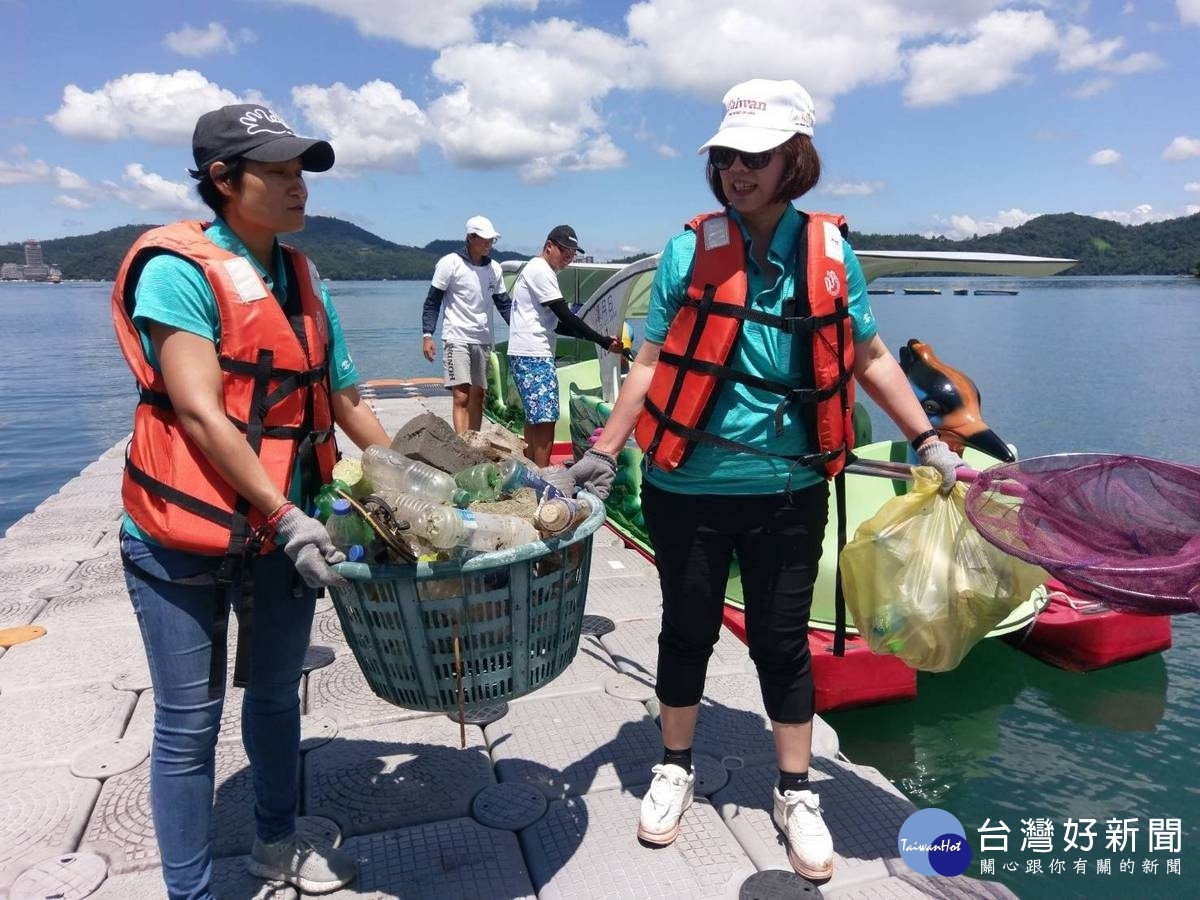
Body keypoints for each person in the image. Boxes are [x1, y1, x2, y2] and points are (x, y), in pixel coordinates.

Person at [567, 79, 963, 881]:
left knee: (783, 645)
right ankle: (673, 766)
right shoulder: (687, 249)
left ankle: (794, 789)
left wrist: (927, 437)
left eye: (756, 157)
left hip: (789, 490)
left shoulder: (829, 254)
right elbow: (646, 365)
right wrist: (605, 453)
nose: (738, 171)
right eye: (726, 157)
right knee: (687, 632)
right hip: (688, 488)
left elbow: (870, 357)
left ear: (795, 160)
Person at [111, 103, 390, 899]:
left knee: (274, 696)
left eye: (303, 170)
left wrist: (423, 476)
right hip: (179, 540)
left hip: (279, 537)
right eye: (280, 170)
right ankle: (190, 891)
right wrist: (283, 512)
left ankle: (276, 842)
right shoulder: (178, 270)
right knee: (188, 725)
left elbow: (342, 397)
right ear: (224, 181)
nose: (299, 185)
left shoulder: (302, 278)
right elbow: (198, 408)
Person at [507, 224, 622, 466]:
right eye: (565, 251)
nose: (569, 257)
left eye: (573, 252)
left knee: (535, 417)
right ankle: (542, 476)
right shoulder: (541, 271)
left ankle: (530, 472)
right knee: (547, 418)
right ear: (549, 247)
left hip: (526, 352)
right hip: (534, 354)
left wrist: (592, 337)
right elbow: (565, 316)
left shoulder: (537, 270)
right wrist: (601, 340)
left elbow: (556, 325)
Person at [422, 215, 513, 432]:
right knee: (461, 395)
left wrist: (520, 330)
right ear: (470, 237)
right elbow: (432, 301)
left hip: (483, 338)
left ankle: (474, 443)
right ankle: (462, 447)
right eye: (484, 239)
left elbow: (504, 305)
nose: (489, 244)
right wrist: (427, 335)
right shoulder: (449, 263)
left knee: (479, 395)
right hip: (456, 336)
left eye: (492, 240)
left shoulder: (495, 269)